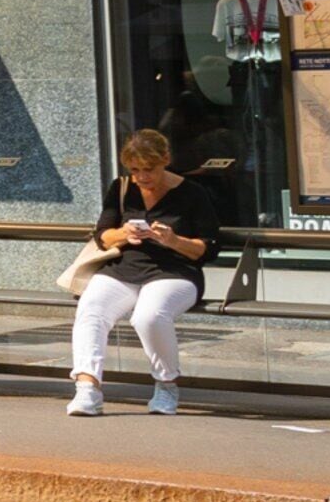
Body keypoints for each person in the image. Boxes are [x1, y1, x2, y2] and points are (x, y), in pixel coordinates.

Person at [72, 128, 221, 416]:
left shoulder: (192, 193)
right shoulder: (122, 188)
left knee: (148, 316)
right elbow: (102, 235)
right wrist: (124, 234)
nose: (142, 177)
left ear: (166, 159)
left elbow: (209, 248)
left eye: (149, 169)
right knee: (91, 308)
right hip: (124, 269)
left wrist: (173, 240)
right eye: (135, 169)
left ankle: (166, 385)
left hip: (175, 272)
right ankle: (87, 388)